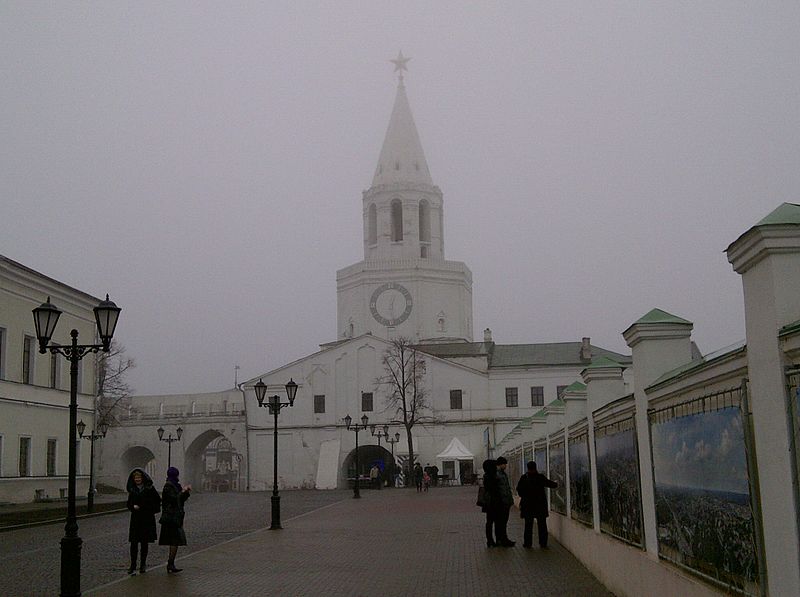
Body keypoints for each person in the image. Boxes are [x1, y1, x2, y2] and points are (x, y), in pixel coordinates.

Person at [126, 468, 160, 575]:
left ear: (143, 478)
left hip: (146, 519)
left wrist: (146, 507)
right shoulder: (132, 490)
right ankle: (133, 565)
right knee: (134, 543)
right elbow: (129, 503)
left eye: (139, 477)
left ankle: (143, 565)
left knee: (144, 543)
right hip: (136, 519)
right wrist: (132, 507)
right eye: (135, 477)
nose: (137, 479)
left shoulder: (149, 488)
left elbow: (157, 502)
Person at [516, 460, 558, 548]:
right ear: (536, 467)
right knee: (542, 525)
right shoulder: (540, 477)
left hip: (527, 506)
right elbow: (551, 484)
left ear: (527, 468)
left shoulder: (524, 478)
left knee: (528, 525)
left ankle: (528, 543)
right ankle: (543, 543)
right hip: (540, 505)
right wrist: (556, 483)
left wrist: (525, 495)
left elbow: (519, 490)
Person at [158, 467, 191, 573]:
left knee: (175, 541)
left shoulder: (176, 485)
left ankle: (171, 563)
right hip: (171, 517)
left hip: (176, 516)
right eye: (176, 475)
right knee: (174, 540)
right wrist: (183, 491)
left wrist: (186, 492)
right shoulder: (168, 486)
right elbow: (174, 499)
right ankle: (170, 564)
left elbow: (181, 500)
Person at [493, 456, 516, 546]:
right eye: (504, 464)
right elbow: (502, 489)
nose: (506, 465)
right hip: (502, 502)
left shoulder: (502, 474)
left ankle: (502, 539)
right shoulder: (498, 475)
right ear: (500, 464)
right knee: (501, 522)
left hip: (505, 502)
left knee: (502, 522)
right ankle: (502, 539)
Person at [481, 459, 498, 547]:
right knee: (494, 521)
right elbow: (494, 489)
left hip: (489, 503)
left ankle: (490, 540)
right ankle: (492, 540)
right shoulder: (492, 477)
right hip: (493, 502)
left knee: (489, 522)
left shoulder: (486, 476)